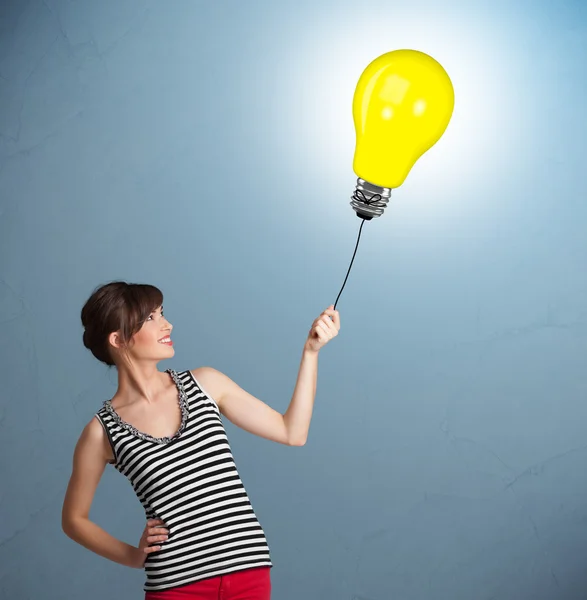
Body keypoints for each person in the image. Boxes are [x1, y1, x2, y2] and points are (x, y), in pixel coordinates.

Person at [61, 281, 340, 599]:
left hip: (248, 572)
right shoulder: (101, 431)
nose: (167, 324)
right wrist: (133, 556)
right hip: (176, 587)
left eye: (162, 313)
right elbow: (73, 520)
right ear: (119, 339)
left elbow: (293, 432)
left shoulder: (206, 383)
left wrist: (311, 351)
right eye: (151, 318)